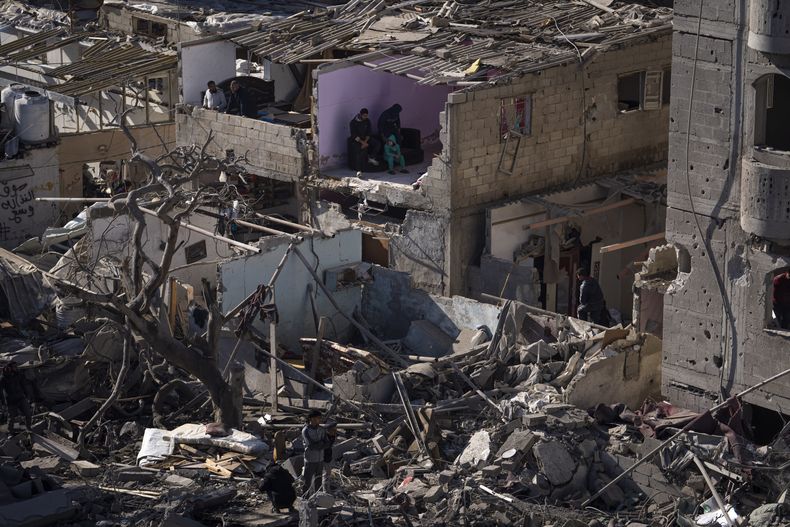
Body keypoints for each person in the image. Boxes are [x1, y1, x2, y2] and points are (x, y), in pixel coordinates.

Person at [301, 409, 335, 496]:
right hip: (310, 459)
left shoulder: (321, 429)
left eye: (320, 418)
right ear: (311, 419)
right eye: (317, 418)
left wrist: (319, 444)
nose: (319, 420)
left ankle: (317, 498)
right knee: (307, 481)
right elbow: (311, 446)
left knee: (318, 480)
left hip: (320, 459)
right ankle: (305, 498)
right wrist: (321, 444)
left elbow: (327, 443)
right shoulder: (306, 431)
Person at [0, 362, 32, 433]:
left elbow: (23, 385)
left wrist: (27, 395)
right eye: (14, 367)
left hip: (21, 398)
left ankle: (28, 428)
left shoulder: (18, 375)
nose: (16, 368)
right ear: (10, 368)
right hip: (11, 401)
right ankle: (10, 432)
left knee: (27, 414)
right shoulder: (3, 378)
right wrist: (3, 403)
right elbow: (0, 391)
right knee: (11, 418)